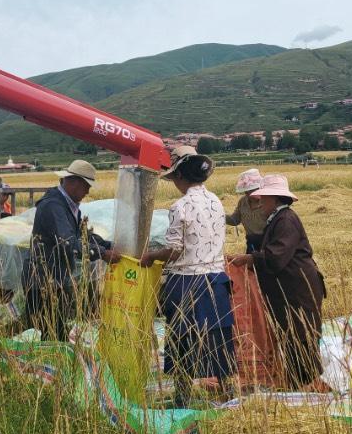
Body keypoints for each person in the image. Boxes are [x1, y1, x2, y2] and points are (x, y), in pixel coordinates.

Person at [140, 146, 236, 405]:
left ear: (180, 177)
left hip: (187, 282)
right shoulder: (216, 201)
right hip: (216, 281)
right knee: (217, 338)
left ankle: (182, 397)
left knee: (183, 340)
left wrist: (151, 256)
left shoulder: (179, 206)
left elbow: (174, 250)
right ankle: (227, 391)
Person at [228, 175, 326, 390]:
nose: (260, 202)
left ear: (274, 198)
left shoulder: (286, 220)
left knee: (300, 334)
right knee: (289, 334)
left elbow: (276, 256)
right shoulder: (277, 219)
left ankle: (305, 385)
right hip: (288, 289)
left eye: (263, 198)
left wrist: (250, 259)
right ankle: (295, 383)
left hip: (298, 289)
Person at [23, 160, 120, 341]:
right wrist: (103, 254)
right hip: (43, 280)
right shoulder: (53, 206)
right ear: (73, 181)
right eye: (86, 186)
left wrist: (108, 245)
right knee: (52, 333)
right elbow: (68, 242)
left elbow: (82, 237)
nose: (88, 192)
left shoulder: (69, 206)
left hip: (56, 278)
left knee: (55, 330)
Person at [225, 168, 267, 253]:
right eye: (247, 191)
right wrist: (219, 215)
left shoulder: (267, 201)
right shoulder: (243, 202)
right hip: (251, 241)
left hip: (268, 242)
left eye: (253, 190)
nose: (249, 193)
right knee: (250, 265)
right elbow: (235, 220)